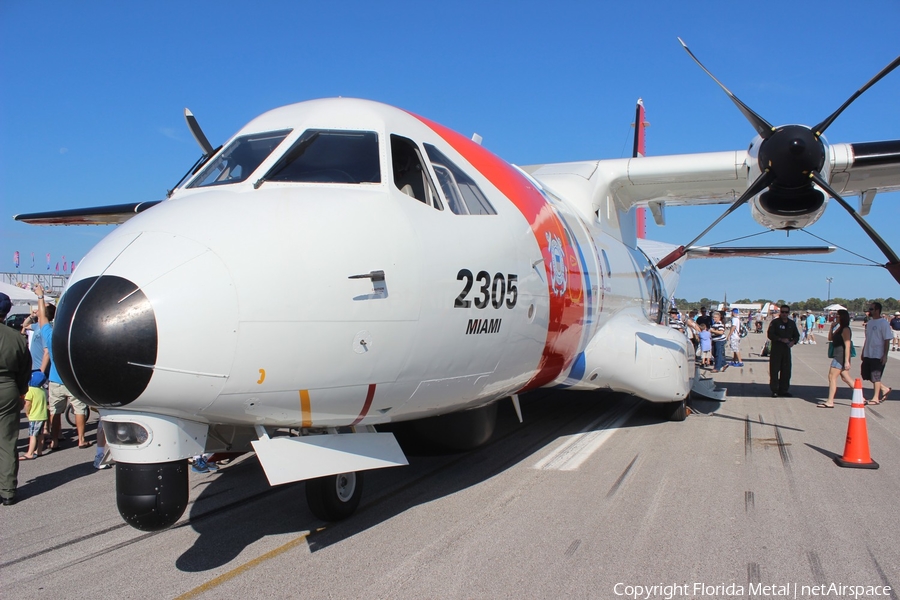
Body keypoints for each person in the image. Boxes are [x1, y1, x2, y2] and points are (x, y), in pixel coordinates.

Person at [34, 285, 92, 449]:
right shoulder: (74, 336)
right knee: (79, 409)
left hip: (55, 378)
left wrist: (40, 297)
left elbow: (42, 319)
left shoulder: (51, 335)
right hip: (72, 379)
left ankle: (54, 440)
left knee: (55, 411)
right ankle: (81, 439)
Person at [0, 292, 31, 505]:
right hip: (8, 388)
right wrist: (20, 392)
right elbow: (24, 370)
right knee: (8, 441)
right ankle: (8, 490)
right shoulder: (17, 338)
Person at [819, 309, 854, 408]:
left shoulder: (845, 329)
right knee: (846, 378)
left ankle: (830, 401)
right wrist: (831, 327)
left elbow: (847, 345)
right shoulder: (839, 328)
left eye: (838, 316)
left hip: (840, 356)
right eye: (836, 316)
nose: (836, 317)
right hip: (838, 355)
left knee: (831, 377)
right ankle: (861, 396)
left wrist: (847, 361)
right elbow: (830, 338)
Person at [861, 301, 892, 405]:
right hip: (868, 353)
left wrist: (885, 355)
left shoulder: (883, 323)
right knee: (866, 374)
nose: (869, 311)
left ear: (877, 310)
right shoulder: (869, 323)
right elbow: (867, 338)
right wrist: (863, 351)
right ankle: (884, 389)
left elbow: (887, 339)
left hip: (878, 353)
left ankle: (875, 398)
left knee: (876, 375)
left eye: (871, 309)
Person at [767, 304, 800, 397]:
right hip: (776, 350)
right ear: (780, 312)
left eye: (786, 312)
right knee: (774, 370)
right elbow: (770, 335)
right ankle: (774, 390)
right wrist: (780, 339)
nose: (784, 314)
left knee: (786, 371)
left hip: (786, 350)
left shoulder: (791, 323)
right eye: (782, 312)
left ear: (788, 313)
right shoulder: (775, 323)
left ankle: (783, 390)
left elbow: (797, 335)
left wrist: (793, 341)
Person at [21, 382, 48, 458]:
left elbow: (28, 404)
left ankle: (30, 453)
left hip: (34, 417)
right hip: (42, 416)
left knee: (32, 435)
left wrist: (27, 412)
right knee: (41, 434)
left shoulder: (31, 390)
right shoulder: (42, 390)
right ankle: (39, 451)